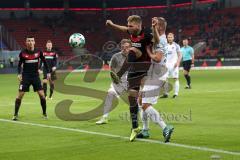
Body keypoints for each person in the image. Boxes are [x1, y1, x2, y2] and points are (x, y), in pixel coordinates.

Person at [106, 15, 155, 141]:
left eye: (131, 26)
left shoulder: (148, 33)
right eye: (128, 25)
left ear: (138, 25)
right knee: (132, 98)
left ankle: (119, 74)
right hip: (134, 67)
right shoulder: (132, 31)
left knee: (132, 50)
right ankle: (135, 127)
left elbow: (157, 42)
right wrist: (112, 25)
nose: (128, 28)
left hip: (145, 66)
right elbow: (123, 29)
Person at [137, 17, 174, 143]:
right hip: (154, 74)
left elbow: (157, 58)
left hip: (157, 75)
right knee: (141, 100)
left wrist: (148, 51)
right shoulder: (159, 40)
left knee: (145, 104)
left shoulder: (161, 41)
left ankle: (165, 127)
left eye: (155, 25)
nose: (152, 27)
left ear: (160, 26)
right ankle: (145, 130)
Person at [12, 36, 50, 121]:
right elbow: (19, 65)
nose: (30, 42)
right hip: (25, 76)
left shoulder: (39, 52)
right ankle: (15, 115)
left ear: (34, 42)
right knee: (20, 95)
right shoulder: (22, 53)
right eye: (29, 41)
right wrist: (18, 74)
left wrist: (48, 72)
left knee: (42, 95)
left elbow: (44, 62)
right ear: (26, 42)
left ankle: (44, 114)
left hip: (35, 76)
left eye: (32, 41)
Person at [96, 39, 131, 125]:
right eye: (123, 47)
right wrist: (115, 77)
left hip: (130, 83)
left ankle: (143, 121)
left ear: (130, 47)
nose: (124, 49)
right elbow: (111, 70)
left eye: (127, 47)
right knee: (109, 95)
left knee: (136, 103)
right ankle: (104, 118)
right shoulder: (116, 57)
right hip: (118, 82)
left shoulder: (135, 56)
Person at [161, 33, 182, 98]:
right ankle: (166, 93)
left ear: (173, 38)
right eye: (168, 37)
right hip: (166, 65)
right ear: (167, 38)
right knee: (164, 79)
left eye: (171, 37)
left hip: (174, 65)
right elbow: (162, 56)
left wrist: (178, 62)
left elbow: (180, 55)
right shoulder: (164, 46)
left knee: (175, 78)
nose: (169, 38)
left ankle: (175, 94)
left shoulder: (176, 45)